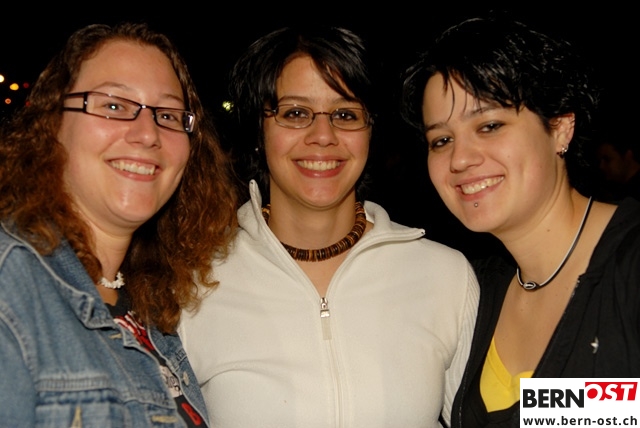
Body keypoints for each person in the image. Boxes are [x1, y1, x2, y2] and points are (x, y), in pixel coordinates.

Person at [178, 26, 479, 428]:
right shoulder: (192, 283)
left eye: (345, 115)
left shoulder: (446, 276)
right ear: (259, 131)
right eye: (295, 113)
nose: (323, 136)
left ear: (370, 131)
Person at [402, 15, 640, 427]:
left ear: (560, 128)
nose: (460, 159)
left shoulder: (629, 264)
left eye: (490, 125)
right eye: (441, 140)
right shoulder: (473, 293)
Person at [0, 22, 238, 427]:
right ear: (52, 122)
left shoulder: (152, 308)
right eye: (114, 106)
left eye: (167, 115)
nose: (147, 134)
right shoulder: (12, 285)